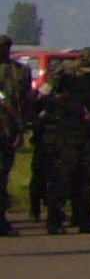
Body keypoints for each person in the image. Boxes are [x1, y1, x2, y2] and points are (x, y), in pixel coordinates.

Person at [39, 47, 90, 234]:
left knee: (86, 178)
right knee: (61, 178)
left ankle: (83, 219)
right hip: (66, 133)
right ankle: (54, 221)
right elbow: (42, 96)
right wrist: (64, 105)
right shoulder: (63, 76)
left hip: (87, 133)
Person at [0, 34, 29, 236]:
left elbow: (24, 104)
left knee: (3, 175)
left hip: (8, 130)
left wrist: (20, 130)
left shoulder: (20, 72)